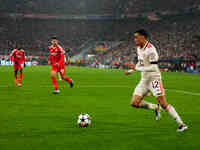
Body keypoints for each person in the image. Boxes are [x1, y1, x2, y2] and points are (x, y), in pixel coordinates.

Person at [125, 29, 188, 132]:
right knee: (134, 103)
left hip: (154, 79)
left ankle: (182, 124)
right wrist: (132, 70)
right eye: (134, 37)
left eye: (137, 37)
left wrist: (136, 69)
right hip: (144, 80)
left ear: (143, 37)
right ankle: (155, 107)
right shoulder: (138, 48)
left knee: (163, 103)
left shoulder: (151, 50)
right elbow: (141, 63)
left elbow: (154, 68)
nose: (135, 39)